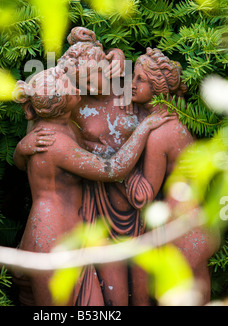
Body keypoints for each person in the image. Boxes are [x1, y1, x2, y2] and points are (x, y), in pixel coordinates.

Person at [12, 65, 173, 306]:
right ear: (63, 101)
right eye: (72, 87)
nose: (79, 87)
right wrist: (144, 127)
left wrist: (116, 59)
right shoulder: (55, 143)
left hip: (66, 231)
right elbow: (112, 169)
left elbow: (23, 164)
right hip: (54, 238)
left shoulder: (50, 128)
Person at [126, 47, 220, 304]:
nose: (131, 85)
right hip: (196, 223)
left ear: (157, 88)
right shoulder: (175, 123)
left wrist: (122, 169)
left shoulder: (160, 134)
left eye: (140, 80)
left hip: (181, 230)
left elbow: (143, 195)